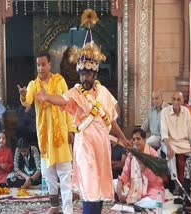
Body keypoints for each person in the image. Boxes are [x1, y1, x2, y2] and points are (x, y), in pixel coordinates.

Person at [35, 11, 130, 213]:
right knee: (89, 186)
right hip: (85, 147)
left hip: (102, 146)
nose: (86, 76)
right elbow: (62, 100)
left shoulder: (104, 93)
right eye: (83, 73)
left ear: (95, 73)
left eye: (90, 73)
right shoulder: (75, 93)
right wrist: (47, 97)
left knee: (100, 187)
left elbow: (112, 120)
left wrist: (123, 138)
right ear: (79, 73)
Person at [17, 51, 74, 214]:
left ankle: (68, 209)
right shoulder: (33, 84)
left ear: (49, 65)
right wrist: (22, 96)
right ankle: (55, 206)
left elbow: (68, 105)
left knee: (65, 173)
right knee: (48, 174)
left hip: (61, 134)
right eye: (38, 65)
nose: (40, 68)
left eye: (43, 64)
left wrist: (70, 129)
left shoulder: (60, 80)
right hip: (45, 136)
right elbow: (27, 103)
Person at [116, 128, 165, 209]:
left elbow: (157, 180)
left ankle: (134, 201)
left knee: (156, 203)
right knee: (113, 183)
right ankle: (134, 200)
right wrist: (119, 189)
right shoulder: (131, 154)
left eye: (138, 139)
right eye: (134, 139)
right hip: (133, 186)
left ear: (144, 140)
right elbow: (125, 173)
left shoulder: (153, 154)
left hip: (151, 188)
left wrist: (142, 165)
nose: (135, 142)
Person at [161, 91, 191, 194]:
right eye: (174, 99)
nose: (176, 102)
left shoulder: (186, 111)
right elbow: (164, 134)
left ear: (183, 101)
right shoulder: (165, 112)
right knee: (170, 154)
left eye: (178, 100)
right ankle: (177, 185)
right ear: (172, 100)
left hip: (183, 143)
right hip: (169, 142)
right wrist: (169, 148)